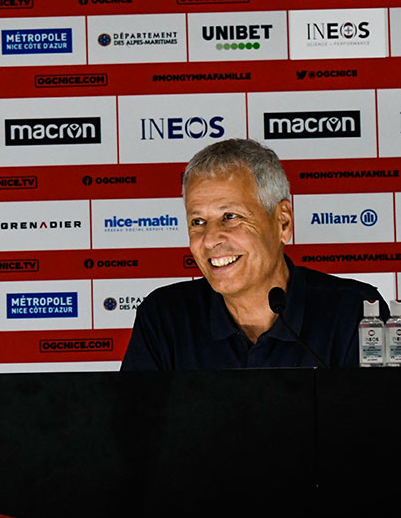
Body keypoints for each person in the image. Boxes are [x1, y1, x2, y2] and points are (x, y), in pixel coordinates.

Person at [121, 138, 388, 370]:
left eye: (230, 217)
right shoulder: (163, 318)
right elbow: (135, 426)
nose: (210, 239)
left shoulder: (357, 312)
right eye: (198, 222)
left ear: (283, 222)